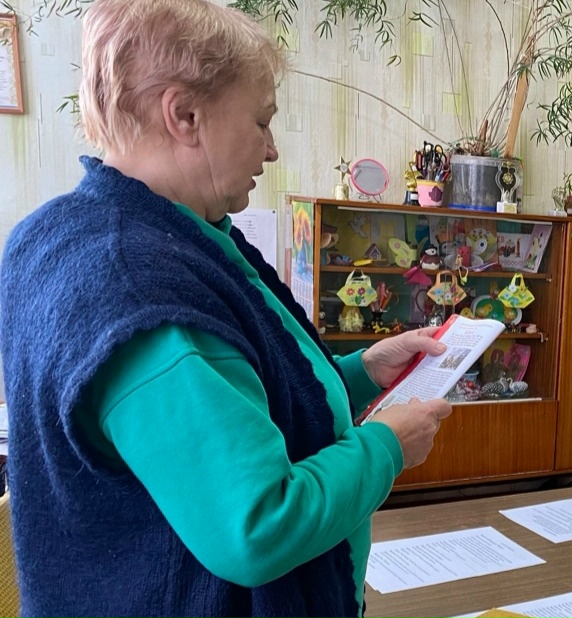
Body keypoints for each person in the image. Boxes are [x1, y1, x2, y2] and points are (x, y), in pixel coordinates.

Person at [0, 1, 453, 617]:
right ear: (185, 115)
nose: (271, 150)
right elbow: (258, 525)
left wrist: (362, 371)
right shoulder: (141, 293)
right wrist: (387, 447)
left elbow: (231, 401)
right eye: (261, 121)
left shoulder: (80, 232)